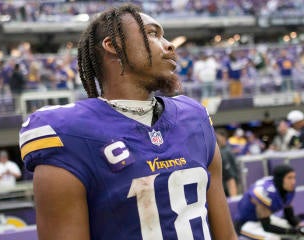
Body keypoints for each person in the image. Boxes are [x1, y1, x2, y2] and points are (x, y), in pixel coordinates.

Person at [19, 4, 237, 240]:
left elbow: (226, 235)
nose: (170, 45)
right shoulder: (68, 133)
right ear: (113, 45)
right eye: (153, 34)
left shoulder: (194, 118)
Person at [234, 164, 304, 240]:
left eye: (294, 177)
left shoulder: (287, 189)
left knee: (293, 229)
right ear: (280, 179)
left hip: (264, 220)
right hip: (246, 223)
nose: (293, 182)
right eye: (289, 178)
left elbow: (290, 216)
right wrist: (293, 231)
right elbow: (267, 226)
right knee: (273, 238)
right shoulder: (265, 192)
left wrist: (300, 226)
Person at [216, 128, 239, 197]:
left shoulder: (225, 152)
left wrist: (233, 199)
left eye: (217, 137)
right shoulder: (224, 150)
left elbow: (230, 179)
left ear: (223, 137)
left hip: (227, 192)